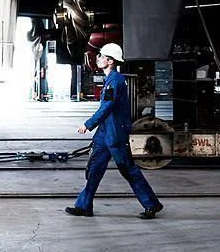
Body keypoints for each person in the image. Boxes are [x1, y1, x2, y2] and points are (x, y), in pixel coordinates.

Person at [66, 43, 164, 220]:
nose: (99, 59)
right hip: (105, 133)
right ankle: (84, 206)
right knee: (94, 169)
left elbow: (106, 107)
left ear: (110, 61)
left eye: (102, 56)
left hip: (116, 134)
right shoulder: (110, 79)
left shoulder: (116, 81)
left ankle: (152, 204)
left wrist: (88, 124)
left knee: (128, 169)